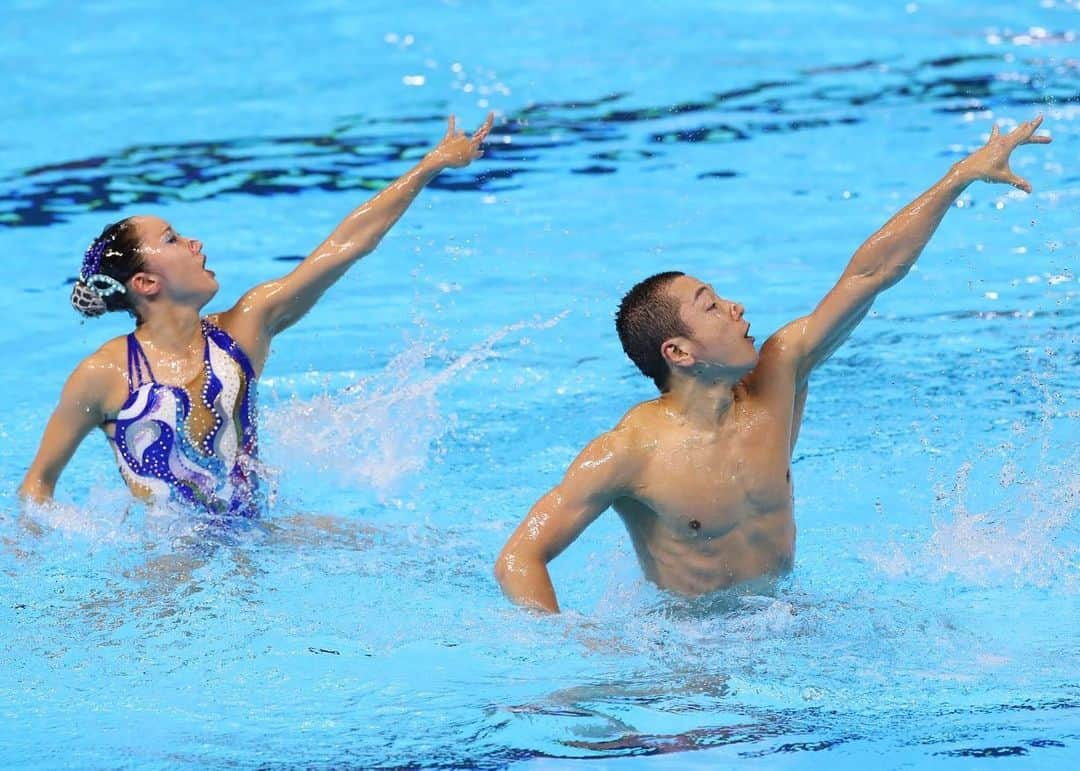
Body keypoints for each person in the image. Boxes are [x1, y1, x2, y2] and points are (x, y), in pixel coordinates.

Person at [495, 116, 1052, 612]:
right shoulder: (628, 452)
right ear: (679, 352)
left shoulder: (779, 374)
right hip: (688, 656)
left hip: (786, 621)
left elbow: (869, 275)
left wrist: (960, 177)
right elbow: (520, 558)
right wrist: (575, 651)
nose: (734, 306)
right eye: (710, 305)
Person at [19, 114, 494, 517]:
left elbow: (346, 246)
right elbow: (37, 486)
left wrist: (430, 166)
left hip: (256, 538)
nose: (194, 243)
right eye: (172, 240)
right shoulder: (104, 374)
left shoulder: (246, 327)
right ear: (145, 283)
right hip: (164, 568)